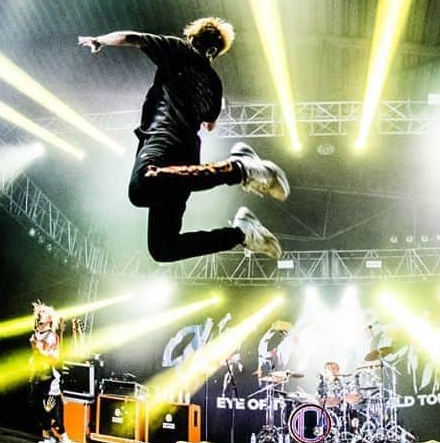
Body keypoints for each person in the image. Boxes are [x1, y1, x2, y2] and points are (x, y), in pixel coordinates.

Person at [78, 18, 288, 262]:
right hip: (186, 160)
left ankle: (239, 168)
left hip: (163, 143)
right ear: (215, 52)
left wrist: (100, 40)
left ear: (192, 38)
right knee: (163, 248)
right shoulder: (214, 83)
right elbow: (210, 123)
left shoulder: (179, 49)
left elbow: (131, 37)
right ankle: (241, 233)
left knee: (141, 189)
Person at [29, 302, 74, 443]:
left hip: (50, 377)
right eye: (40, 313)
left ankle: (66, 441)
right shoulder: (37, 333)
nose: (41, 315)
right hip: (39, 375)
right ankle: (49, 437)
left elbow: (50, 358)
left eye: (44, 313)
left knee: (51, 409)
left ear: (49, 319)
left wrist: (38, 348)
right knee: (38, 407)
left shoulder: (51, 336)